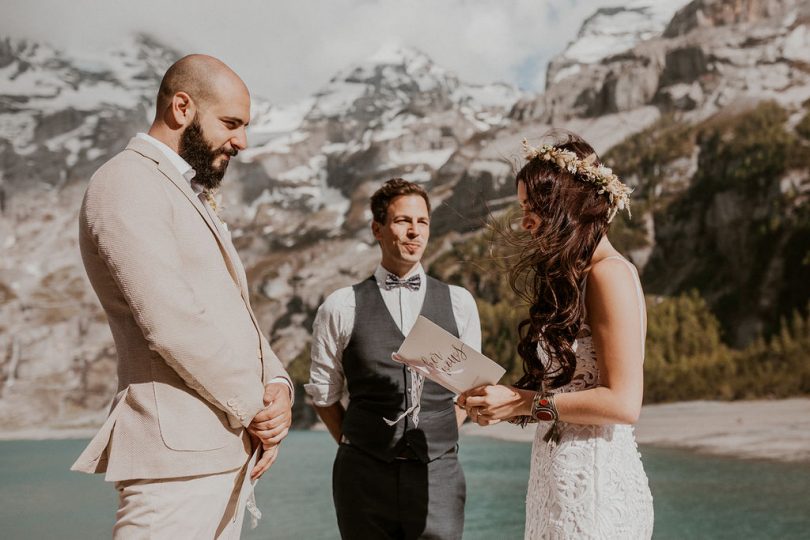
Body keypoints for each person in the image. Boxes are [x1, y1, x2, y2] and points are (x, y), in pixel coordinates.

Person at [71, 54, 293, 538]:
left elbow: (234, 310)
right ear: (182, 107)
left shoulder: (183, 189)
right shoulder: (126, 181)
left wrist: (278, 385)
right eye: (231, 123)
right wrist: (255, 406)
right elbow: (171, 322)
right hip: (173, 468)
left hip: (219, 458)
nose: (243, 141)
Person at [459, 132, 654, 539]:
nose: (525, 221)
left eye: (535, 207)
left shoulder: (608, 275)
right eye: (522, 208)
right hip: (560, 475)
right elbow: (571, 393)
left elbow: (623, 403)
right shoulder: (583, 275)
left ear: (571, 203)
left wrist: (520, 402)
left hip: (593, 483)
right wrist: (508, 405)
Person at [305, 178, 481, 540]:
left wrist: (441, 438)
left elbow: (469, 387)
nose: (414, 231)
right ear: (377, 229)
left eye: (423, 222)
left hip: (440, 475)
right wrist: (361, 446)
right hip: (363, 478)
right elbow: (324, 395)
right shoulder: (341, 306)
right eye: (403, 221)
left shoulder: (460, 302)